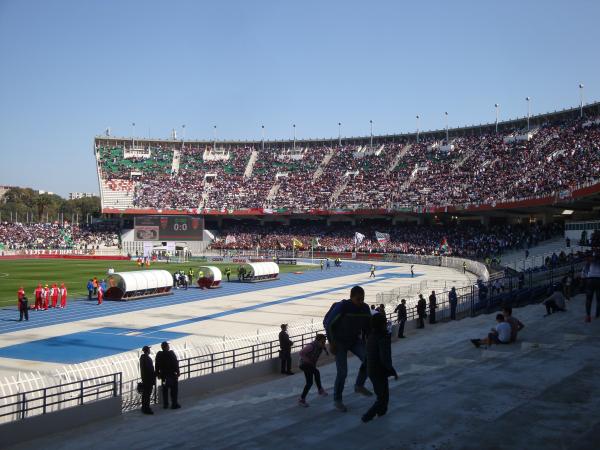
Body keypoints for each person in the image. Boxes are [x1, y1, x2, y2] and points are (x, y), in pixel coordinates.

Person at [324, 285, 372, 412]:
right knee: (342, 372)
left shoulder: (365, 308)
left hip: (354, 339)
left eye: (362, 299)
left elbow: (368, 327)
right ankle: (337, 399)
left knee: (369, 359)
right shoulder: (343, 306)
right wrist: (331, 343)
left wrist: (370, 342)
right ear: (351, 298)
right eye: (358, 299)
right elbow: (329, 324)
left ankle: (359, 385)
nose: (360, 302)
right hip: (339, 342)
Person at [362, 312, 397, 422]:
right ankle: (367, 417)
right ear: (382, 324)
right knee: (382, 399)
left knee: (383, 397)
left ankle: (381, 415)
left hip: (372, 370)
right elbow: (384, 357)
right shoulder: (383, 337)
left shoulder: (371, 336)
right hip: (379, 371)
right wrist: (392, 370)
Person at [297, 334, 328, 407]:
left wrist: (326, 351)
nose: (324, 343)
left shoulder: (321, 345)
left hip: (309, 365)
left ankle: (302, 399)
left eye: (324, 342)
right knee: (316, 372)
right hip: (304, 364)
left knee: (309, 383)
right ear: (317, 341)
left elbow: (323, 347)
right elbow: (301, 353)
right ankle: (320, 389)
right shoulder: (311, 346)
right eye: (322, 342)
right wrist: (308, 360)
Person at [155, 341, 181, 409]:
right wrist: (178, 372)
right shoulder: (171, 353)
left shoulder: (159, 354)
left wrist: (158, 374)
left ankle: (165, 404)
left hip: (164, 376)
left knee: (165, 390)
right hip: (172, 375)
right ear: (166, 347)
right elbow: (175, 363)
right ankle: (174, 404)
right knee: (174, 390)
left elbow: (157, 365)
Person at [582, 251, 600, 322]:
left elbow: (584, 272)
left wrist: (584, 281)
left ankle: (588, 316)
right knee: (599, 299)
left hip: (590, 279)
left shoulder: (589, 262)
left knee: (589, 299)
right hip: (599, 279)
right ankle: (597, 314)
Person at [139, 345, 156, 415]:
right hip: (148, 379)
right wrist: (154, 374)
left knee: (145, 394)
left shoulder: (142, 358)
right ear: (147, 350)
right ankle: (147, 408)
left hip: (145, 378)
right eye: (149, 349)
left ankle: (144, 407)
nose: (150, 350)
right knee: (147, 394)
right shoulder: (146, 358)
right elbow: (149, 369)